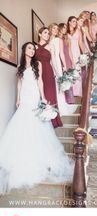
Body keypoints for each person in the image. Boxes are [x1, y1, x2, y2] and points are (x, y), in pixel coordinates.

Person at [0, 42, 73, 194]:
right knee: (22, 125)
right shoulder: (20, 68)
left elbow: (40, 81)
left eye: (33, 48)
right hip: (25, 98)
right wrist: (18, 99)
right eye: (29, 48)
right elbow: (19, 84)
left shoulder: (37, 64)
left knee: (37, 125)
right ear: (24, 50)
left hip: (34, 97)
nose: (32, 50)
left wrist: (43, 97)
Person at [35, 27, 62, 129]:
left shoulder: (50, 46)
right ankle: (39, 116)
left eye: (48, 33)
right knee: (38, 93)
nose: (47, 35)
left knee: (49, 93)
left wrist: (58, 74)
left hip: (48, 71)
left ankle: (52, 119)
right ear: (39, 34)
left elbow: (53, 61)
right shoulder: (34, 46)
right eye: (45, 33)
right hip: (38, 72)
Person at [67, 16, 82, 98]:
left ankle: (78, 92)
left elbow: (81, 43)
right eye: (73, 21)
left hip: (77, 53)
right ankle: (71, 92)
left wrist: (86, 53)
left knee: (77, 71)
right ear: (69, 22)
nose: (75, 23)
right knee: (70, 71)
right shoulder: (66, 32)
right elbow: (66, 45)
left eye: (76, 22)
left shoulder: (78, 31)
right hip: (69, 53)